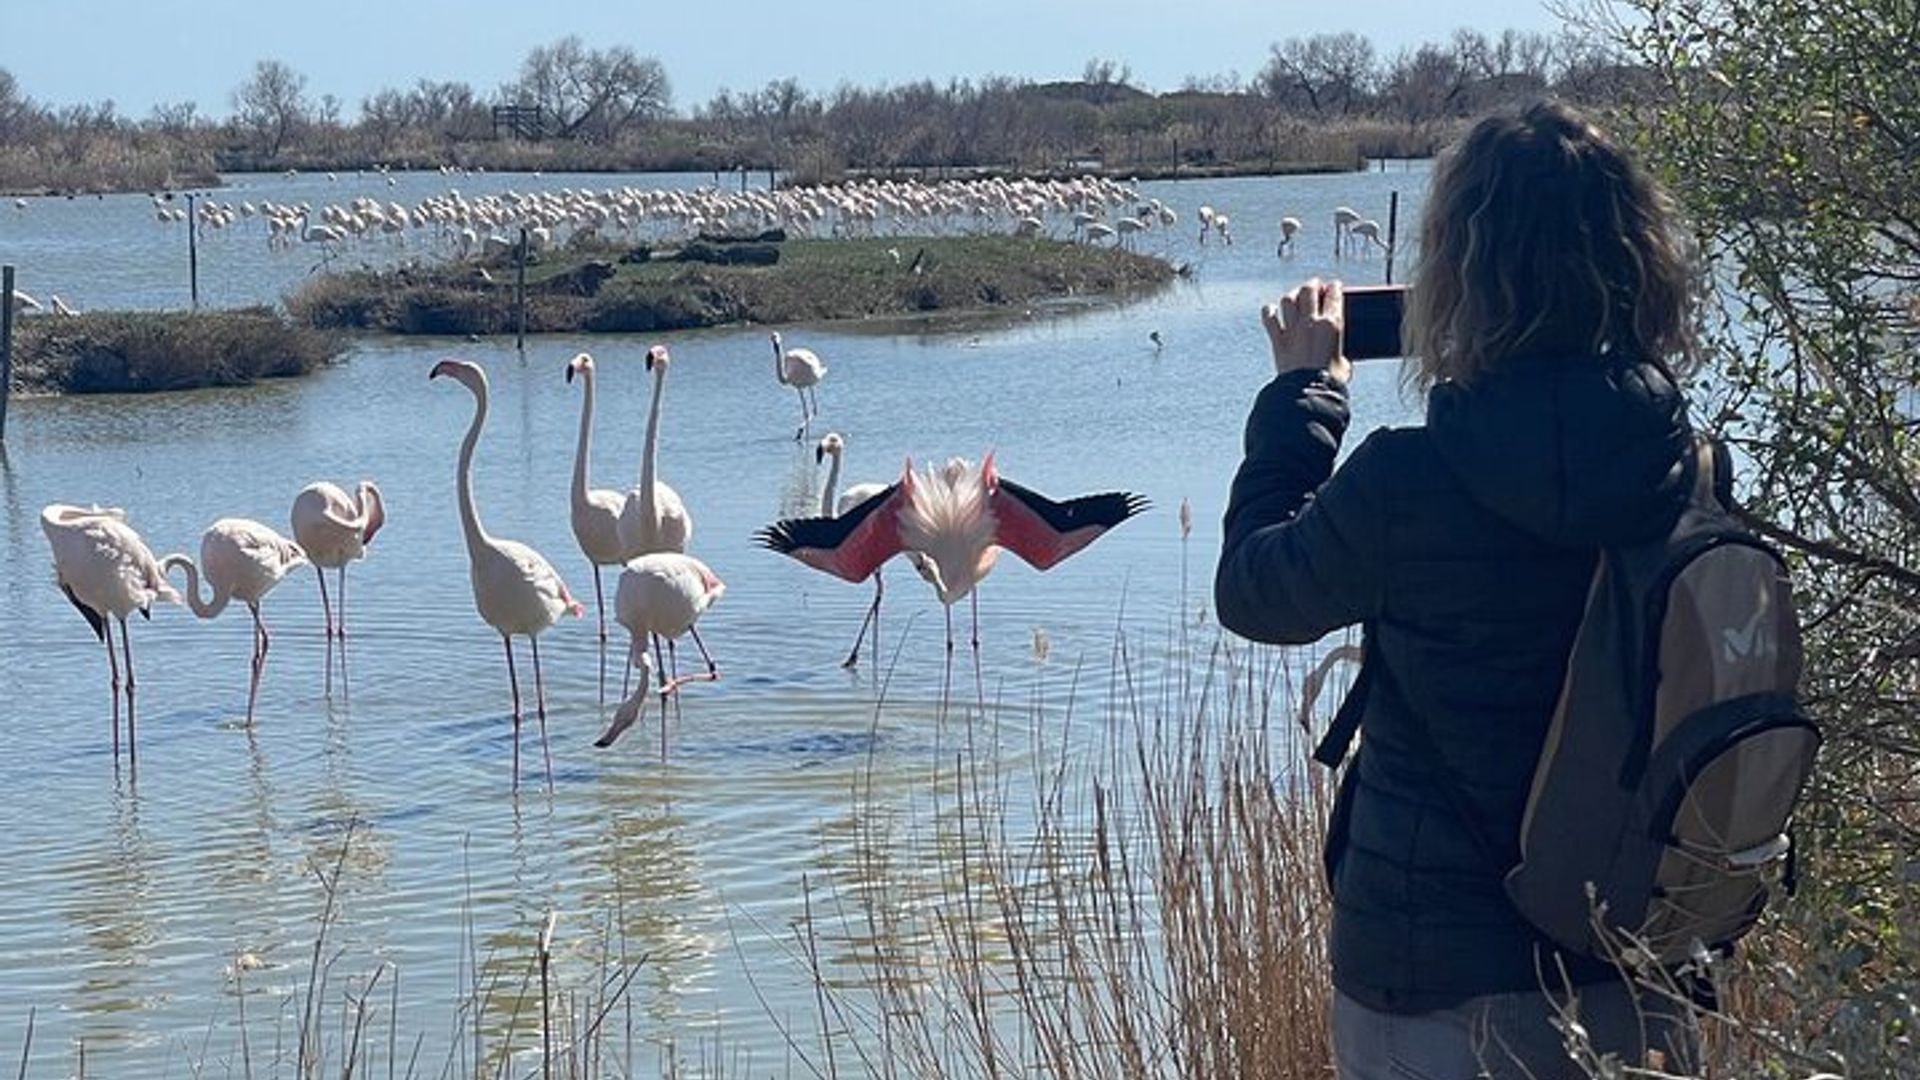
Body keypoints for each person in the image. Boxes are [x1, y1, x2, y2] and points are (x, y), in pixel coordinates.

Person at [1214, 101, 1703, 1078]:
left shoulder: (1408, 483)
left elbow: (1255, 589)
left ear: (1457, 280)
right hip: (1638, 959)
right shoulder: (1684, 468)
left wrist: (1302, 399)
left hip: (1433, 977)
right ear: (1639, 265)